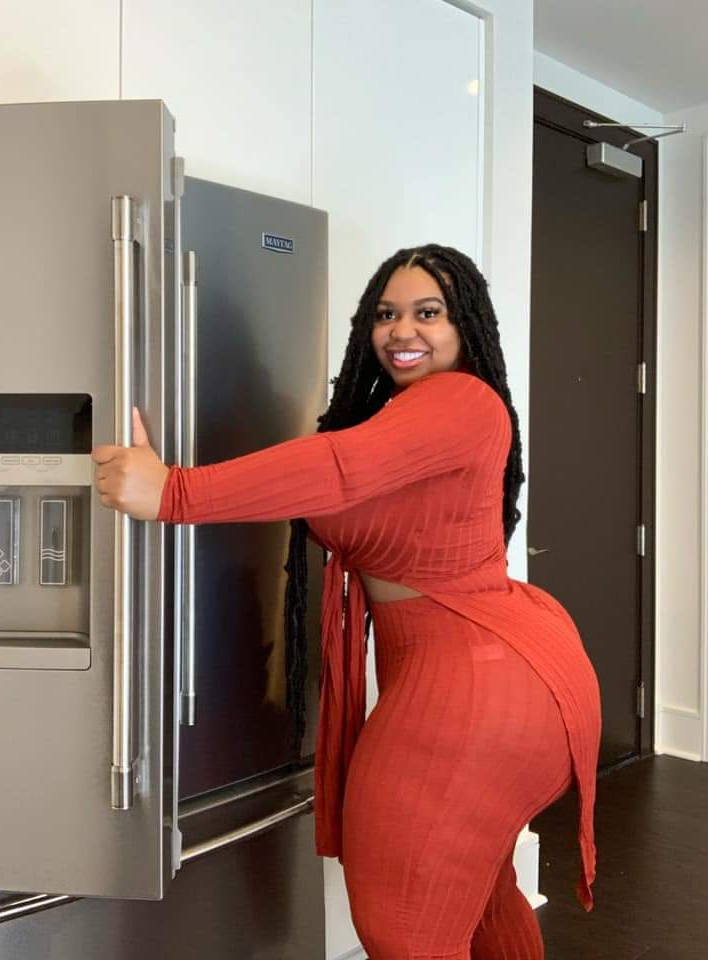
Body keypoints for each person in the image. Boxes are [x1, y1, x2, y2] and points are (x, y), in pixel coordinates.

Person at [92, 243, 602, 960]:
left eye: (428, 313)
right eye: (387, 314)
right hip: (492, 675)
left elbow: (337, 469)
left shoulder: (462, 400)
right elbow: (345, 471)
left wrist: (174, 492)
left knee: (404, 931)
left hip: (477, 686)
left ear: (466, 327)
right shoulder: (406, 413)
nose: (402, 331)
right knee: (481, 898)